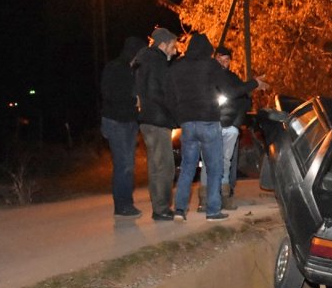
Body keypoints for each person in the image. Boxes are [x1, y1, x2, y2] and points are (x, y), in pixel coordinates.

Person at [166, 33, 267, 222]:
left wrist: (178, 118)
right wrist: (254, 83)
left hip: (187, 124)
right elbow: (231, 90)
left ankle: (179, 210)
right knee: (215, 166)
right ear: (207, 50)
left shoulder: (177, 67)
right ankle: (213, 210)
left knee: (188, 166)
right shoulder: (210, 66)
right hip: (209, 122)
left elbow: (169, 96)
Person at [197, 46, 259, 213]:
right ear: (214, 59)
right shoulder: (206, 76)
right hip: (209, 124)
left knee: (225, 162)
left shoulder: (232, 77)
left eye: (227, 60)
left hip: (229, 127)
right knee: (208, 162)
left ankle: (224, 197)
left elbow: (245, 100)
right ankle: (204, 199)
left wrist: (235, 125)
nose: (224, 63)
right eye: (221, 59)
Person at [134, 27, 178, 221]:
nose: (175, 51)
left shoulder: (142, 60)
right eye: (173, 46)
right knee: (165, 166)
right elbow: (157, 91)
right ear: (163, 44)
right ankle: (161, 209)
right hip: (158, 119)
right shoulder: (157, 61)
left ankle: (159, 206)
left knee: (155, 165)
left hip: (146, 119)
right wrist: (172, 112)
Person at [100, 36, 146, 218]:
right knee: (123, 164)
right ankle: (122, 205)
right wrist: (134, 100)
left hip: (128, 122)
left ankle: (125, 203)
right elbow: (110, 94)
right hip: (117, 122)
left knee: (128, 164)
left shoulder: (130, 70)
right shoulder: (115, 68)